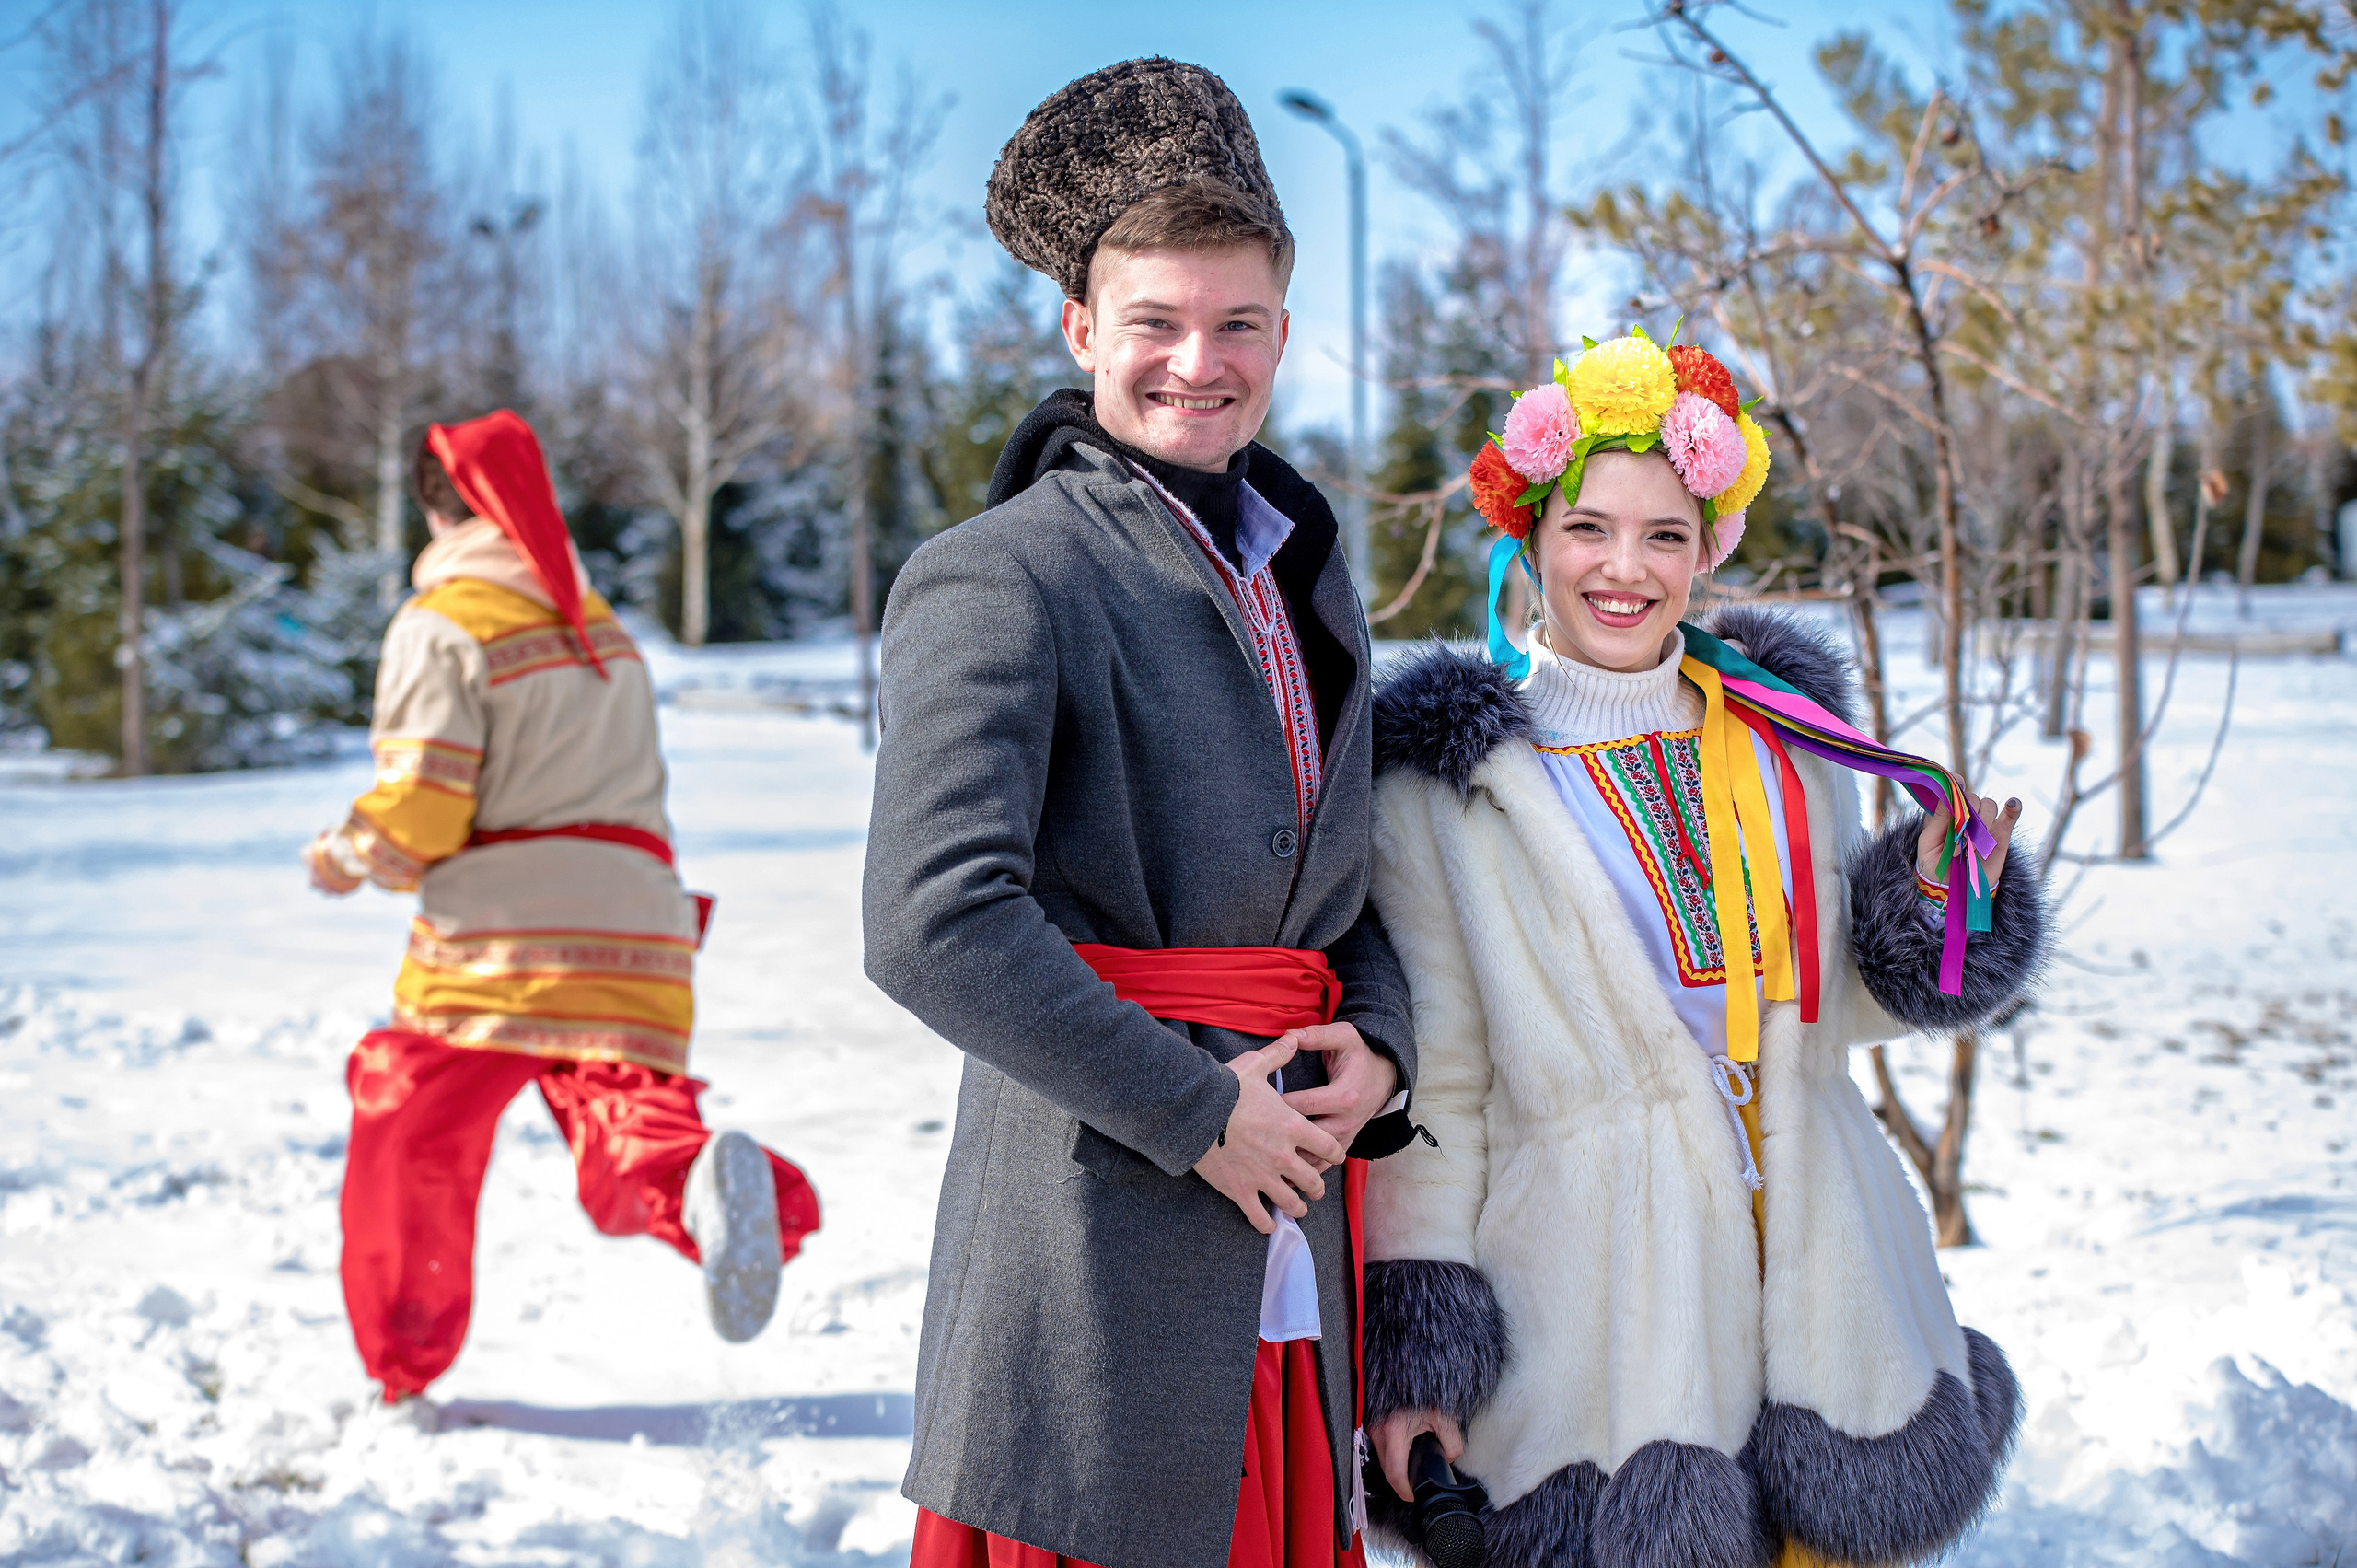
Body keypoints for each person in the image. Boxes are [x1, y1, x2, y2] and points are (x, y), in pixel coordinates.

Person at [1358, 333, 2050, 1568]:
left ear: (1706, 550)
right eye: (1589, 528)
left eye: (1664, 534)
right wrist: (1423, 1358)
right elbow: (1440, 1094)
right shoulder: (1444, 785)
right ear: (1530, 535)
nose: (1625, 567)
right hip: (1603, 1318)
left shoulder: (1781, 737)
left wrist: (1935, 903)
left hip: (1822, 1275)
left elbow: (1829, 1005)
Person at [863, 59, 1417, 1568]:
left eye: (1238, 323)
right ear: (1080, 329)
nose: (1197, 361)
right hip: (1097, 1235)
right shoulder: (999, 572)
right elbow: (933, 922)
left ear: (1284, 333)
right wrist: (1196, 1111)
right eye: (1155, 321)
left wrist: (1377, 1043)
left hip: (1292, 1223)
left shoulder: (1303, 568)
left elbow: (1340, 884)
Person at [302, 410, 820, 1405]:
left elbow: (423, 806)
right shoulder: (601, 628)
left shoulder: (443, 621)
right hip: (641, 931)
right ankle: (700, 1184)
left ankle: (402, 1365)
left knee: (409, 1125)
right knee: (627, 1129)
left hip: (500, 941)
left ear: (435, 511)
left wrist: (346, 854)